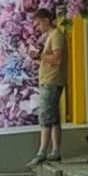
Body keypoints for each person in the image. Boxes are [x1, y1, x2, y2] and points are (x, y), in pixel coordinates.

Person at [31, 25, 68, 165]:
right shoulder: (50, 36)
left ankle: (42, 151)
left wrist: (40, 56)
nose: (38, 27)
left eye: (39, 23)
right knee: (53, 117)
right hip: (48, 80)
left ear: (46, 20)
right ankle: (55, 151)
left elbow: (57, 59)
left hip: (52, 80)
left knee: (46, 116)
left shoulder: (56, 35)